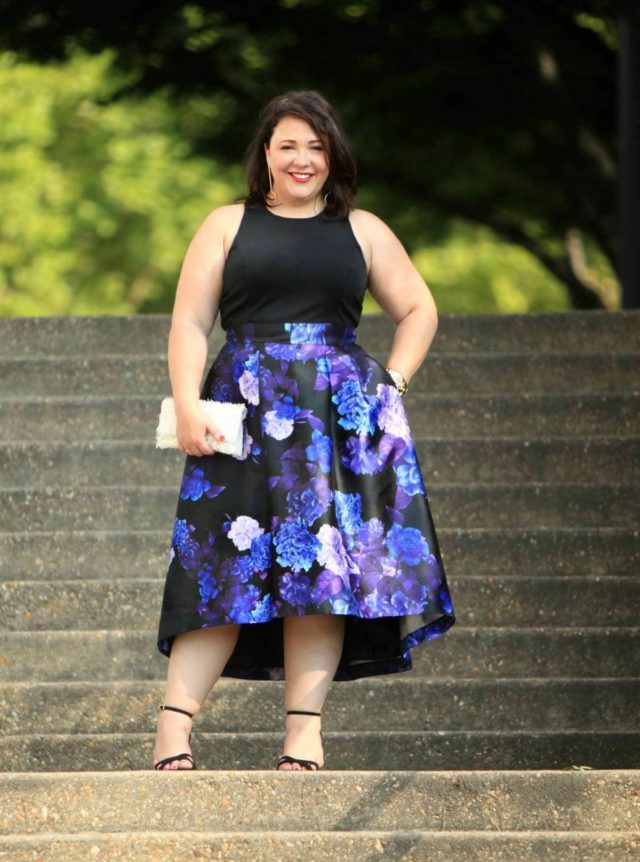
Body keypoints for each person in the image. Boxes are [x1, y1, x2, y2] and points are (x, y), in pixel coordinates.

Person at [152, 89, 456, 772]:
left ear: (333, 156)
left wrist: (391, 388)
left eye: (316, 147)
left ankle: (303, 734)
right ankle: (173, 728)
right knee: (218, 569)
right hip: (242, 411)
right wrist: (186, 404)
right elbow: (190, 323)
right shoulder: (227, 223)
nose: (302, 158)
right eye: (288, 144)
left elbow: (418, 310)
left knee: (319, 572)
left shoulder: (364, 230)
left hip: (333, 425)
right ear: (265, 153)